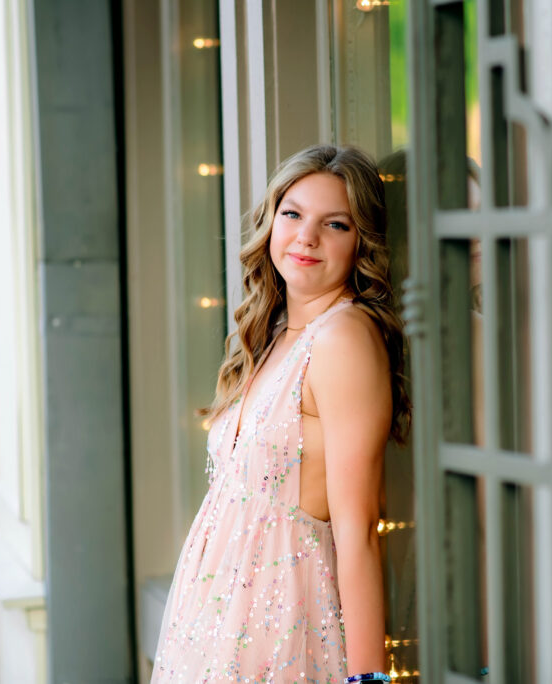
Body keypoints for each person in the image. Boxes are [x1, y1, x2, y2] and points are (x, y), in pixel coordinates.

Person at [151, 144, 410, 683]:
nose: (306, 237)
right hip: (211, 628)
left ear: (362, 242)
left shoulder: (344, 339)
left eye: (335, 224)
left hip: (284, 629)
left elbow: (358, 529)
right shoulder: (270, 337)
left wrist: (368, 679)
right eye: (292, 214)